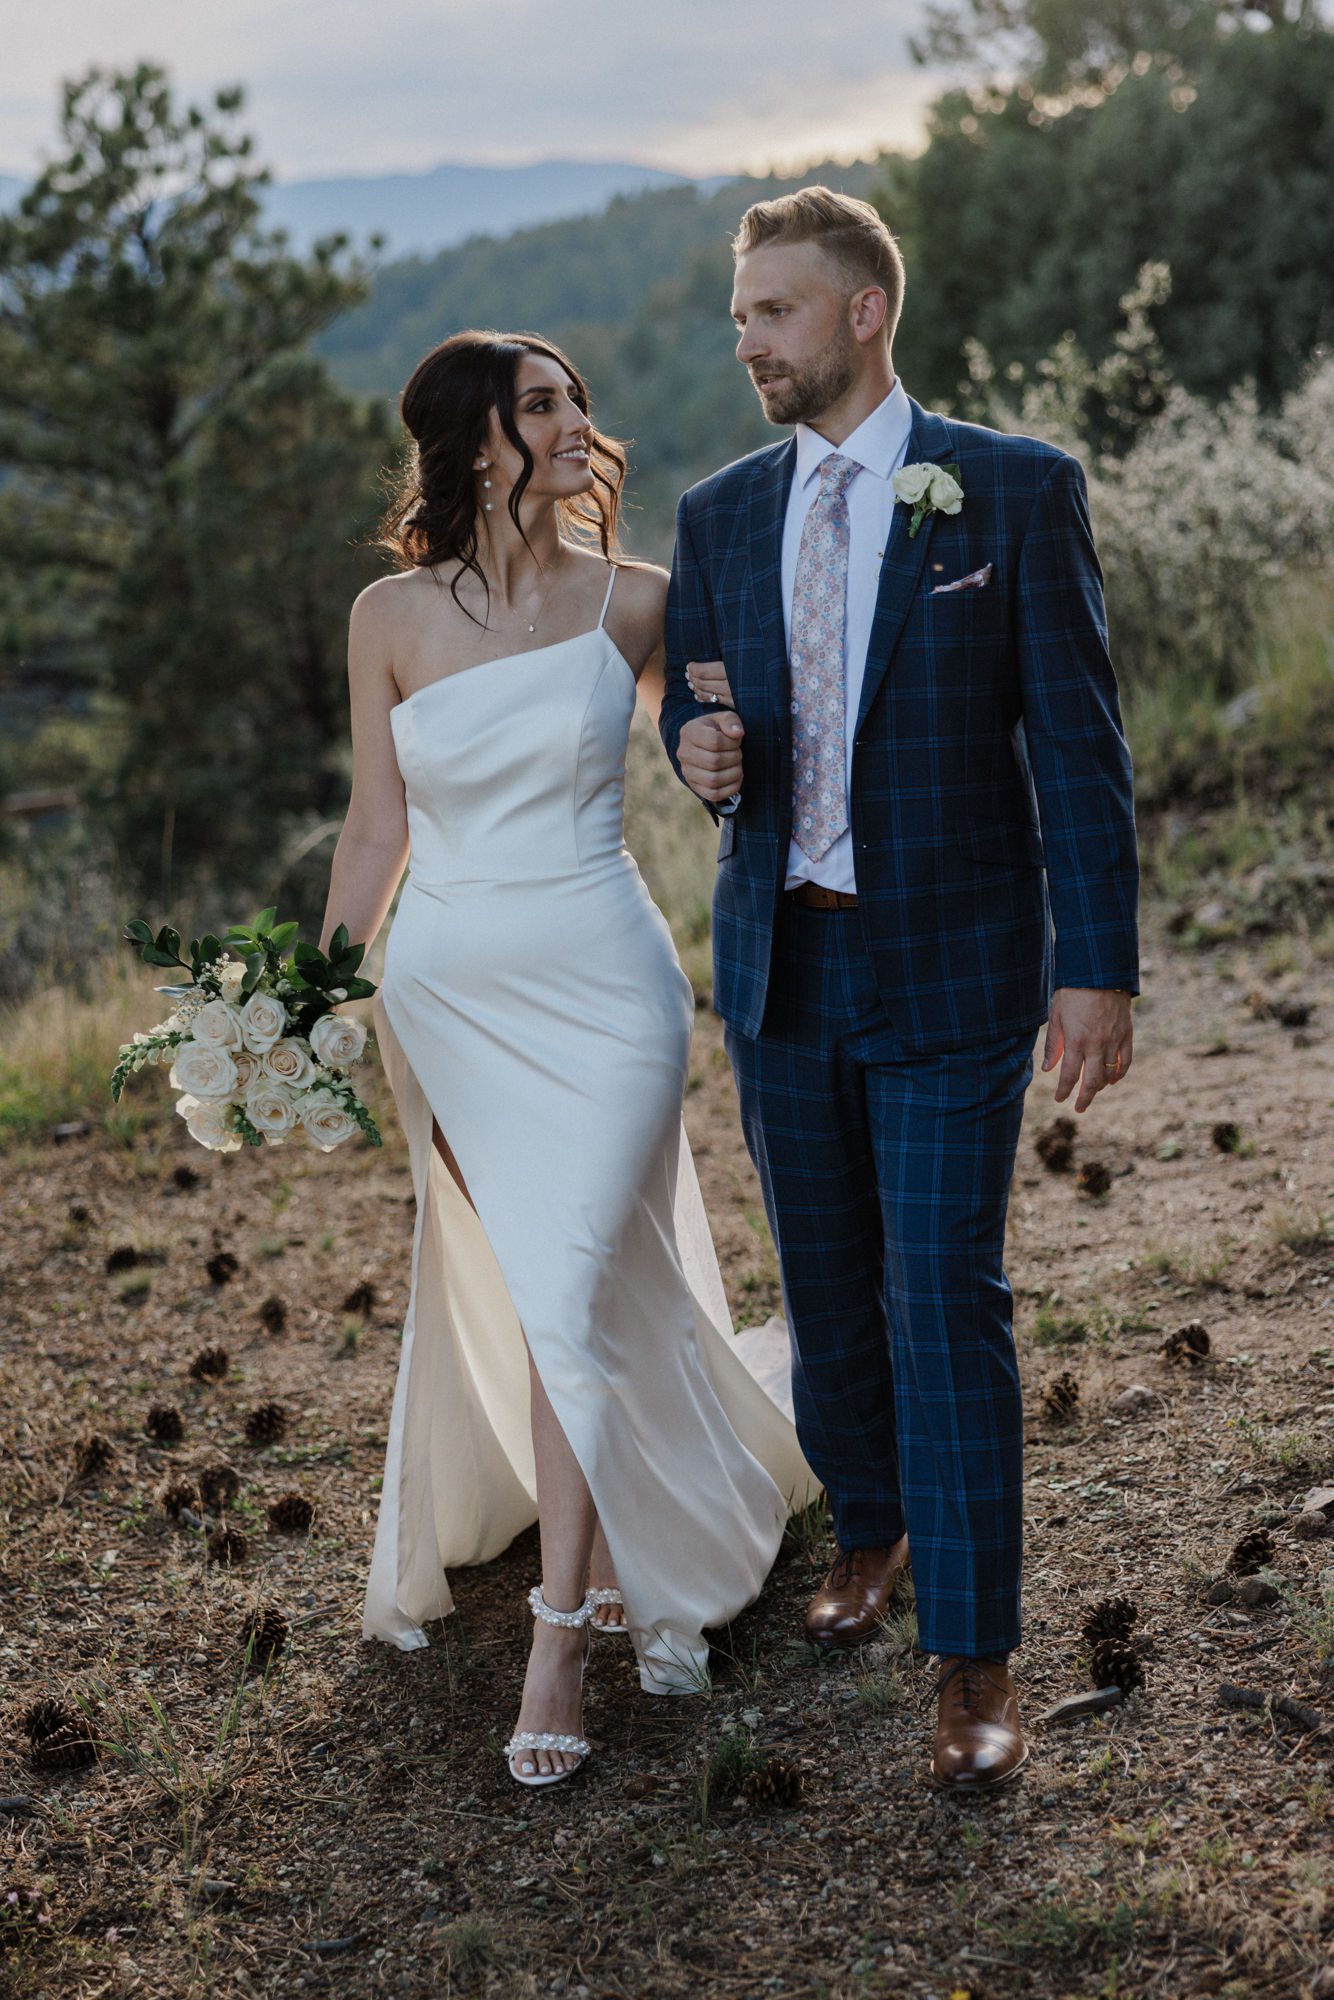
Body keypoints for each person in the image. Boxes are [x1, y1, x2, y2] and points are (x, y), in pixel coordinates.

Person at [659, 188, 1140, 1791]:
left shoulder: (1009, 489)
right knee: (827, 1274)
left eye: (774, 313)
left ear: (863, 313)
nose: (748, 343)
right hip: (781, 961)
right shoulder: (720, 514)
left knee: (947, 1296)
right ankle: (867, 1526)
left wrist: (1097, 966)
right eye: (738, 318)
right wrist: (698, 755)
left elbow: (1075, 746)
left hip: (950, 962)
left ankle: (976, 1657)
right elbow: (706, 719)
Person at [316, 329, 813, 1790]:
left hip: (609, 983)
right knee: (552, 1294)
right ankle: (581, 1565)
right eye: (544, 404)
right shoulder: (388, 616)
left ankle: (559, 1635)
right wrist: (306, 995)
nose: (577, 422)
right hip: (453, 991)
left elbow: (715, 739)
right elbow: (373, 828)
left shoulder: (641, 598)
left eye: (582, 400)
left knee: (583, 1269)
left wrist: (716, 744)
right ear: (477, 439)